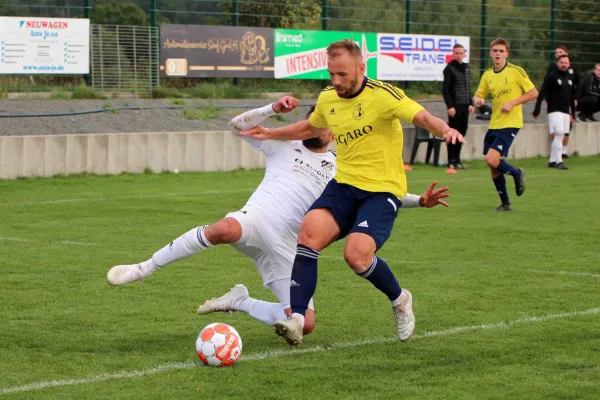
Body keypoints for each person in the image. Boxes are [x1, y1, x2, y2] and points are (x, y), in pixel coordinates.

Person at [106, 96, 451, 336]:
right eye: (314, 122)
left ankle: (239, 301)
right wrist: (272, 108)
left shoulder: (340, 165)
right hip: (256, 220)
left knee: (307, 323)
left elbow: (374, 192)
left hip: (289, 246)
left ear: (334, 131)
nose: (321, 129)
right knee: (224, 227)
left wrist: (419, 200)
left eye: (328, 125)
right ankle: (143, 268)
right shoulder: (282, 143)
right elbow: (236, 126)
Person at [241, 39, 463, 347]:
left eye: (342, 74)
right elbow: (310, 128)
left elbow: (421, 116)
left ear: (361, 68)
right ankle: (297, 319)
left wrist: (445, 129)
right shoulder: (328, 97)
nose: (336, 81)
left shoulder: (384, 95)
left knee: (356, 257)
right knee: (308, 235)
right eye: (331, 74)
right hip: (343, 186)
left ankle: (400, 299)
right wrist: (269, 133)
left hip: (381, 191)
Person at [474, 38, 538, 212]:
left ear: (507, 53)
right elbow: (479, 95)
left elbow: (533, 93)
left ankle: (517, 174)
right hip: (495, 123)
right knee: (493, 165)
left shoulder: (516, 71)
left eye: (501, 51)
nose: (498, 54)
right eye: (495, 50)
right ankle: (506, 204)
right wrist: (478, 100)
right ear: (490, 53)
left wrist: (513, 102)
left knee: (491, 159)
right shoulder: (487, 74)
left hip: (511, 123)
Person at [532, 55, 575, 170]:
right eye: (561, 62)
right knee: (559, 134)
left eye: (566, 62)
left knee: (561, 136)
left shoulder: (570, 78)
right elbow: (542, 91)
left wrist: (573, 114)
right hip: (554, 111)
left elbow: (571, 97)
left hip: (566, 112)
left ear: (569, 64)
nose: (564, 64)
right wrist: (537, 108)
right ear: (557, 63)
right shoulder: (552, 76)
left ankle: (552, 160)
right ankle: (559, 161)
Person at [537, 46, 580, 157]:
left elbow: (577, 86)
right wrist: (541, 103)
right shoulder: (552, 71)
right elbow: (545, 87)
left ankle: (562, 152)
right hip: (554, 107)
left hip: (567, 106)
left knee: (566, 130)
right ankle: (556, 157)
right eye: (556, 53)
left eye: (560, 52)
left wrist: (575, 99)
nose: (558, 54)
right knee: (557, 132)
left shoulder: (572, 70)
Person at [442, 43, 475, 173]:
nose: (459, 55)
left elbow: (467, 87)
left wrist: (470, 103)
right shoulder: (449, 68)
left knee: (462, 133)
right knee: (452, 134)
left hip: (464, 105)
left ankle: (458, 159)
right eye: (456, 53)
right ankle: (451, 160)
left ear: (464, 54)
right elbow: (446, 90)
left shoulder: (466, 67)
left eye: (461, 53)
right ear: (453, 54)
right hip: (454, 106)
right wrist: (450, 106)